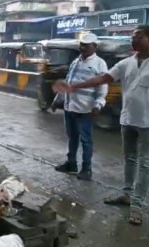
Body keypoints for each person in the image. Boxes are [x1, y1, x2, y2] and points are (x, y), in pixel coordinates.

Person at [53, 25, 149, 225]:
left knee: (145, 165)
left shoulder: (102, 62)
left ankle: (137, 206)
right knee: (130, 159)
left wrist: (96, 103)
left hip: (147, 123)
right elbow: (103, 79)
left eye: (138, 37)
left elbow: (101, 82)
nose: (134, 41)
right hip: (128, 119)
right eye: (132, 37)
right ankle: (127, 194)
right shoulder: (126, 63)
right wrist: (73, 86)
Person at [54, 33, 108, 181]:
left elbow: (102, 87)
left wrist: (98, 104)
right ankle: (71, 163)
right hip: (70, 107)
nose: (82, 48)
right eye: (81, 45)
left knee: (86, 140)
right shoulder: (75, 62)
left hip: (85, 109)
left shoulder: (99, 64)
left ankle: (86, 168)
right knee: (72, 138)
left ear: (94, 47)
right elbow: (67, 82)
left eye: (86, 45)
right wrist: (57, 99)